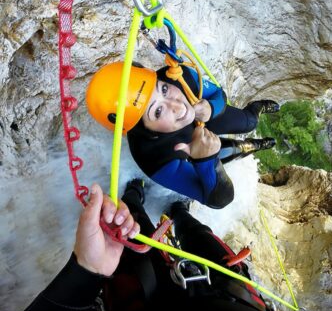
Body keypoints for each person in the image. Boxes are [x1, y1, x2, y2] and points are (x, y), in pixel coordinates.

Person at [11, 180, 284, 311]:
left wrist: (86, 271)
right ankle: (178, 212)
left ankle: (134, 196)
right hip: (236, 299)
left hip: (146, 310)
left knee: (137, 247)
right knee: (199, 237)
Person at [86, 62, 279, 209]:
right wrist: (207, 161)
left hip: (205, 112)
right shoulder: (153, 157)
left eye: (163, 89)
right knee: (229, 149)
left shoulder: (176, 76)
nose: (178, 106)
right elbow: (218, 199)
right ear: (141, 128)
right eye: (158, 111)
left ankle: (257, 108)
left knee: (249, 123)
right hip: (190, 146)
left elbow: (219, 94)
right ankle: (255, 145)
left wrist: (212, 108)